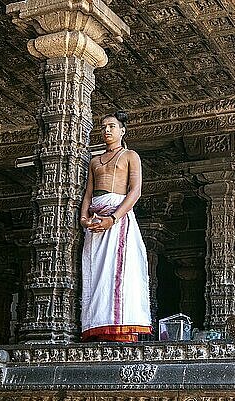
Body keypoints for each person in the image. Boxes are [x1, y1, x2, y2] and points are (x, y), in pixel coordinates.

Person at [80, 110, 152, 342]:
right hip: (95, 221)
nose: (107, 130)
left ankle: (120, 328)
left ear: (122, 130)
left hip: (117, 219)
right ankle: (98, 326)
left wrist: (113, 218)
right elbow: (88, 193)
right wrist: (83, 218)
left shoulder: (130, 155)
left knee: (118, 272)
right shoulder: (94, 161)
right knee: (96, 273)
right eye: (103, 127)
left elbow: (135, 191)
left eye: (111, 126)